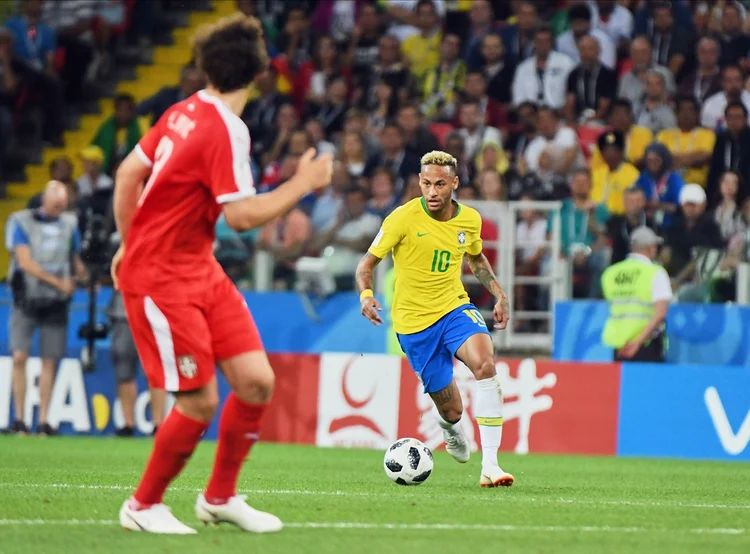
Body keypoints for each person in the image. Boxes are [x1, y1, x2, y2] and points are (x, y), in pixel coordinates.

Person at [111, 14, 333, 534]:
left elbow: (127, 173)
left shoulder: (185, 110)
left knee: (255, 381)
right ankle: (141, 506)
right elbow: (242, 218)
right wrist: (304, 182)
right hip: (162, 277)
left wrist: (128, 238)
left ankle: (219, 497)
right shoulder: (225, 129)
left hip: (197, 268)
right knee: (200, 399)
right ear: (259, 72)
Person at [355, 150, 514, 489]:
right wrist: (366, 296)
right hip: (414, 324)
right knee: (452, 410)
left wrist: (499, 293)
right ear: (419, 182)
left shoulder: (469, 219)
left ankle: (491, 466)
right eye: (426, 183)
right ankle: (450, 429)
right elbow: (365, 266)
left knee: (486, 366)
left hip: (455, 307)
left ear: (454, 184)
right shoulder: (402, 218)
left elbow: (476, 258)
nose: (432, 192)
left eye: (440, 184)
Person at [4, 181, 86, 435]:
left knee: (50, 361)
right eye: (54, 205)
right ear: (44, 200)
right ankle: (19, 419)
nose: (57, 210)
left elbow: (74, 260)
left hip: (55, 303)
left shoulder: (70, 224)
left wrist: (82, 277)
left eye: (62, 206)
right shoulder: (21, 222)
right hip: (26, 297)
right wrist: (59, 283)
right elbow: (24, 261)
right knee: (19, 357)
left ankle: (44, 421)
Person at [601, 226, 672, 363]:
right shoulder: (655, 273)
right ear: (651, 248)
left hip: (619, 344)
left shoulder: (610, 273)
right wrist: (637, 342)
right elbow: (660, 313)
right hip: (646, 344)